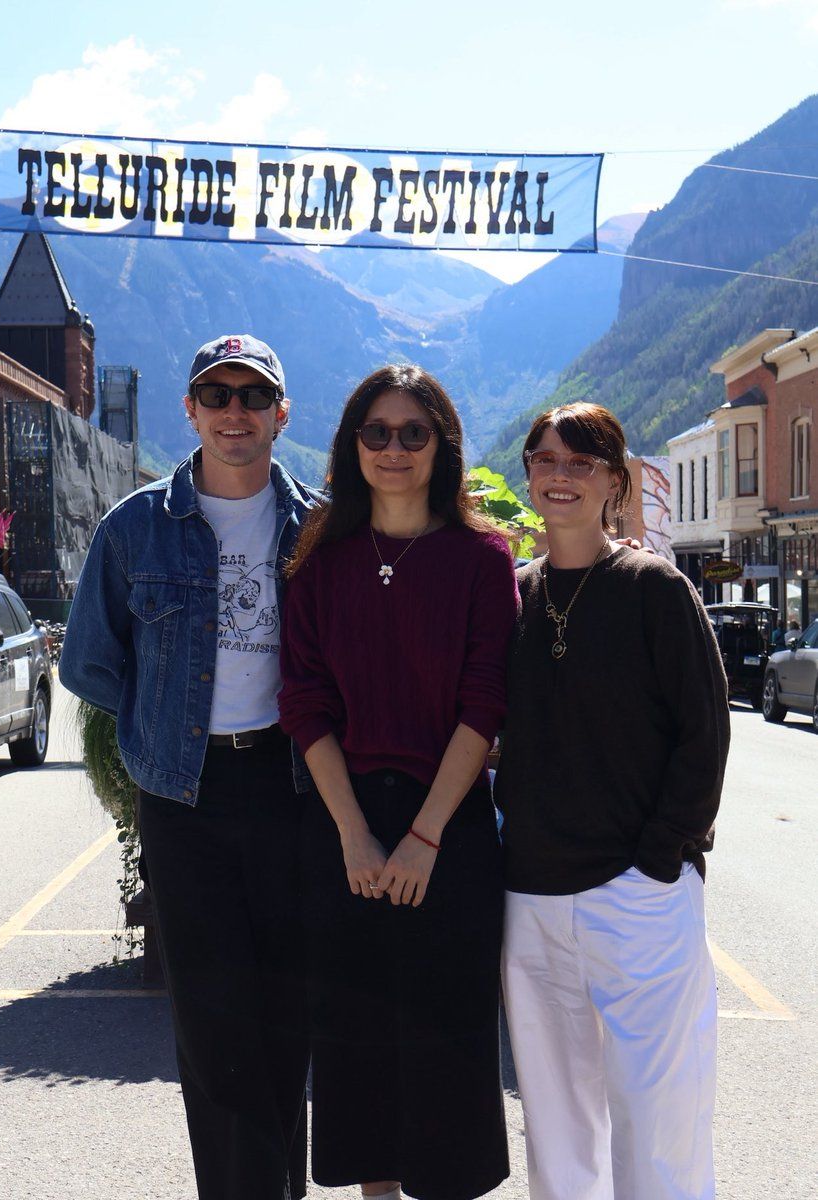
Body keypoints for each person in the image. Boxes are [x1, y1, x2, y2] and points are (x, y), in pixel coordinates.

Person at [59, 334, 320, 1200]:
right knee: (212, 1030)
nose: (235, 410)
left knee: (286, 1021)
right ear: (192, 410)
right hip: (185, 797)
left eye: (253, 395)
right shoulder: (135, 527)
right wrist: (159, 732)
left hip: (292, 788)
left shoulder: (318, 529)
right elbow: (90, 662)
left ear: (282, 413)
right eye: (218, 394)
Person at [278, 364, 518, 1200]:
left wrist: (423, 838)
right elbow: (303, 703)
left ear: (441, 446)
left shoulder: (484, 562)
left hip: (445, 829)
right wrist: (352, 833)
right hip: (342, 829)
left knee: (447, 1042)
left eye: (413, 433)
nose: (392, 449)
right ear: (351, 445)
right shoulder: (319, 561)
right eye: (375, 432)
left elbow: (484, 704)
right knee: (356, 1041)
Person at [496, 402, 730, 1200]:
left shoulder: (654, 590)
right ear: (528, 470)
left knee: (658, 1116)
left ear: (614, 482)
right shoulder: (511, 598)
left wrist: (658, 860)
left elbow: (705, 735)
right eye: (546, 459)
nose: (560, 476)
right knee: (555, 1124)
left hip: (637, 896)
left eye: (581, 462)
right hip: (530, 895)